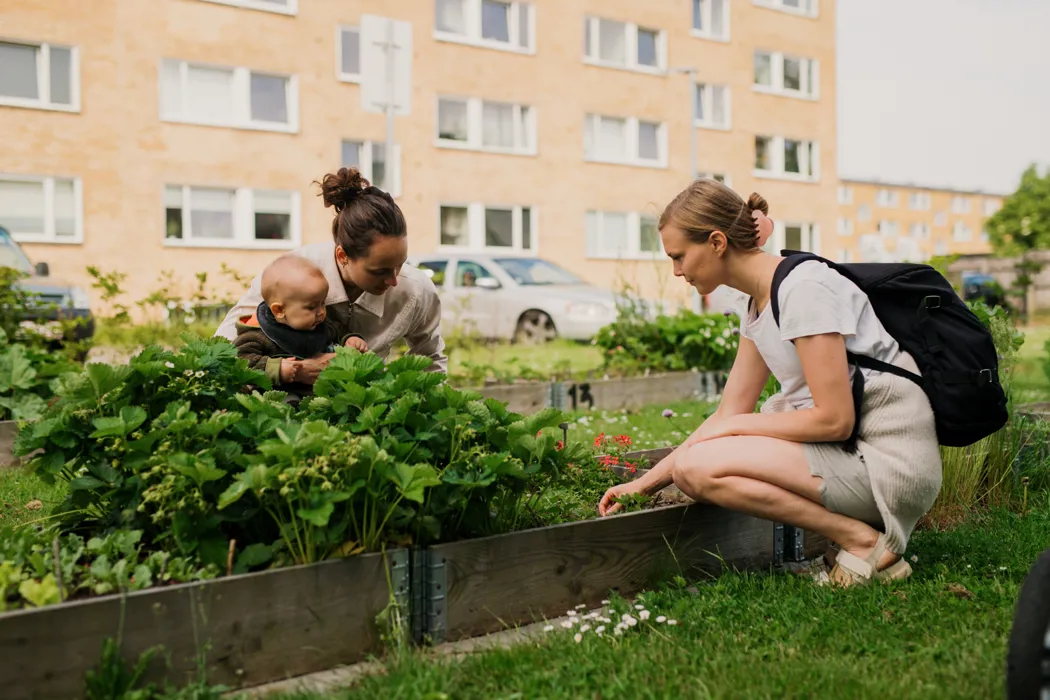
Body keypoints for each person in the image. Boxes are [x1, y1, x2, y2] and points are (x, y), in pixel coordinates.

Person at [598, 180, 942, 587]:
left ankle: (862, 541)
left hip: (887, 465)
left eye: (679, 256)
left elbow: (836, 421)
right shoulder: (757, 299)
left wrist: (736, 428)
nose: (677, 271)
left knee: (698, 466)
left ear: (716, 242)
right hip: (849, 453)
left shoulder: (803, 291)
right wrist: (644, 483)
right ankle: (862, 540)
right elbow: (729, 412)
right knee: (693, 468)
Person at [215, 168, 447, 383]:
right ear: (342, 255)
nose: (394, 280)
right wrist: (298, 370)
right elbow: (222, 351)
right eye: (380, 271)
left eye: (400, 265)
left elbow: (432, 362)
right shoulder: (288, 276)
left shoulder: (417, 291)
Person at [232, 254, 369, 399]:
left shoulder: (319, 325)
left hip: (322, 393)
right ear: (279, 311)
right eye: (311, 307)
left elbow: (338, 330)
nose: (321, 312)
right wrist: (276, 368)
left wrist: (350, 339)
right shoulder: (257, 336)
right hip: (284, 395)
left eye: (323, 303)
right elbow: (241, 361)